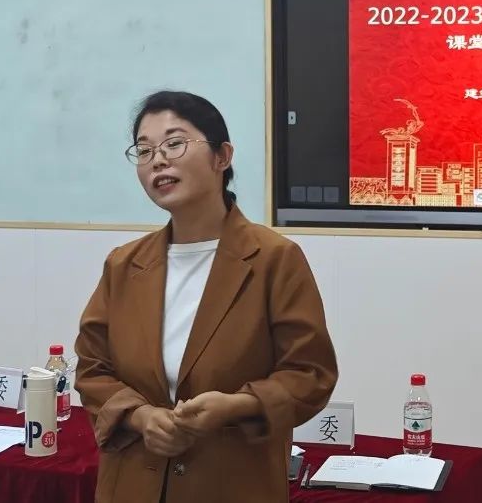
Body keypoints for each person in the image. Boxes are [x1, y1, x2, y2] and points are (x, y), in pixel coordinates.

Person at [75, 90, 337, 503]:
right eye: (145, 150)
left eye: (174, 143)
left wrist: (238, 405)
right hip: (132, 485)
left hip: (232, 484)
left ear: (222, 156)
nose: (158, 160)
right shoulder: (123, 265)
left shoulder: (274, 259)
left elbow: (310, 374)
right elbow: (92, 369)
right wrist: (140, 416)